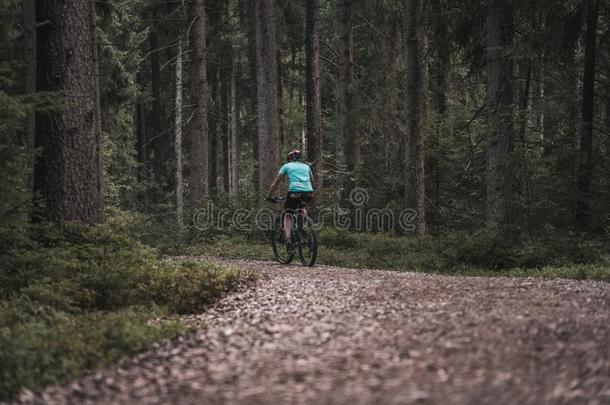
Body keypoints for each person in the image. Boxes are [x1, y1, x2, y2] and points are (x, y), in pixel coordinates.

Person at [266, 149, 316, 252]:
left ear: (289, 159)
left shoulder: (286, 166)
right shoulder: (306, 166)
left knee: (288, 213)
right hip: (308, 192)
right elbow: (313, 182)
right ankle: (306, 227)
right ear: (300, 158)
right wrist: (310, 191)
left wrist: (269, 195)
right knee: (301, 208)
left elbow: (275, 183)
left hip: (294, 192)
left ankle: (288, 239)